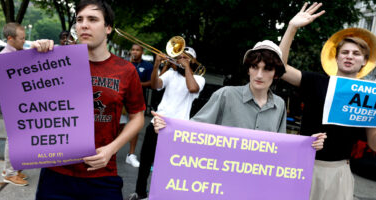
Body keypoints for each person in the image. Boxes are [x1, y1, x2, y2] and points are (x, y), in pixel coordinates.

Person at [34, 0, 145, 199]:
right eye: (79, 20)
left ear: (108, 28)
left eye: (93, 19)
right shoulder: (57, 61)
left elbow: (137, 116)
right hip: (56, 173)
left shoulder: (126, 71)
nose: (84, 24)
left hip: (102, 174)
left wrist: (112, 149)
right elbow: (30, 99)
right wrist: (35, 56)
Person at [279, 2, 376, 200]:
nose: (350, 57)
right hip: (303, 165)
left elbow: (373, 144)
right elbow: (280, 69)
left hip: (338, 172)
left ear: (365, 61)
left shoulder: (370, 95)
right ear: (337, 57)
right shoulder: (316, 81)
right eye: (345, 52)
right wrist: (292, 27)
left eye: (356, 53)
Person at [153, 40, 325, 146]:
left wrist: (308, 144)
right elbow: (194, 129)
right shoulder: (225, 94)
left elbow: (280, 146)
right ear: (248, 69)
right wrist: (168, 128)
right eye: (254, 67)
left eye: (267, 69)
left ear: (276, 74)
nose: (259, 74)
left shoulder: (279, 105)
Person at [127, 47, 206, 200]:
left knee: (168, 165)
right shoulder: (171, 73)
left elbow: (192, 88)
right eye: (180, 56)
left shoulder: (199, 79)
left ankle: (161, 195)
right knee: (145, 161)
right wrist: (157, 65)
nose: (180, 59)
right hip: (158, 121)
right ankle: (140, 193)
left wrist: (187, 66)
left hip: (178, 128)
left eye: (185, 57)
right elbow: (156, 85)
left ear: (192, 61)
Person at [0, 22, 28, 186]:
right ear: (10, 38)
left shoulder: (14, 54)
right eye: (21, 38)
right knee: (14, 139)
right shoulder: (5, 57)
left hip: (17, 103)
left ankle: (12, 169)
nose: (24, 41)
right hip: (12, 104)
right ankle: (10, 173)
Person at [124, 44, 154, 168]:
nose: (135, 52)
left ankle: (130, 155)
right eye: (133, 50)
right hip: (122, 101)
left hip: (137, 100)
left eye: (137, 50)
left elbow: (152, 83)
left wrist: (137, 84)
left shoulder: (147, 66)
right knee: (117, 126)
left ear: (142, 52)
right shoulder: (124, 63)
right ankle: (111, 151)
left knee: (134, 128)